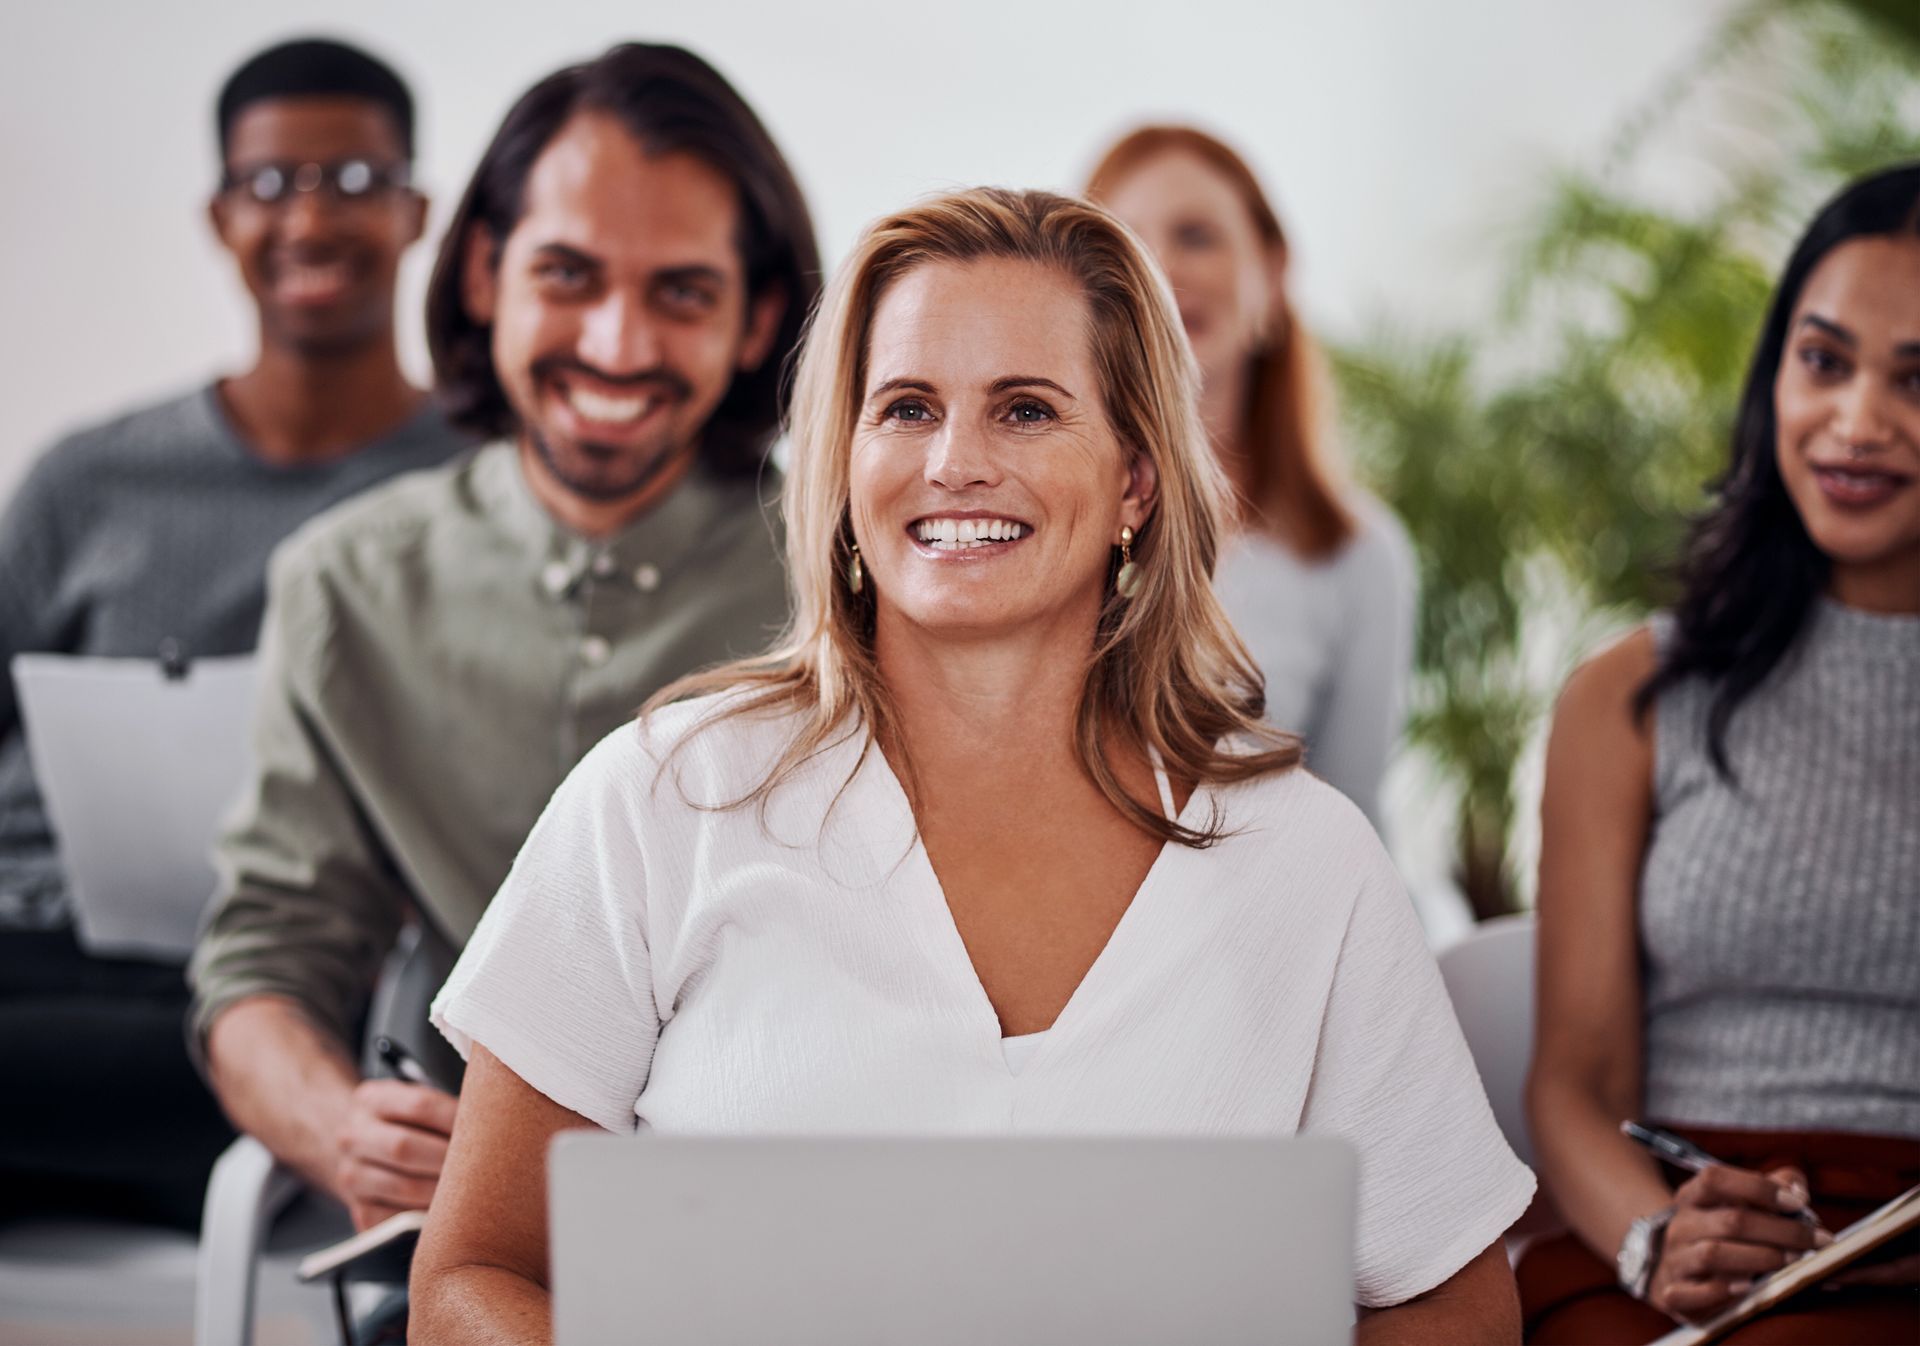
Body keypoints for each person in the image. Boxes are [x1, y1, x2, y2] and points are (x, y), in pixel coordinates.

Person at [412, 186, 1534, 1345]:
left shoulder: (1307, 858)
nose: (955, 462)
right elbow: (469, 1282)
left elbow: (1450, 1294)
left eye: (1026, 410)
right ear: (846, 468)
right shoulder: (659, 798)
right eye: (904, 407)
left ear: (1136, 482)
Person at [188, 42, 818, 1237]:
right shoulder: (347, 582)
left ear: (758, 320)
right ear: (484, 271)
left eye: (681, 291)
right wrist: (339, 1129)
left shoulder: (856, 571)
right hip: (477, 1233)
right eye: (570, 274)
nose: (619, 345)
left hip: (784, 1228)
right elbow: (264, 957)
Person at [0, 37, 468, 1231]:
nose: (310, 215)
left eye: (354, 182)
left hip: (283, 991)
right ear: (221, 215)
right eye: (271, 183)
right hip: (37, 944)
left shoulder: (481, 486)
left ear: (415, 210)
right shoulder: (89, 481)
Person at [1521, 164, 1920, 1344]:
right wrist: (1657, 1240)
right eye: (1824, 359)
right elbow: (1574, 1085)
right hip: (1683, 1234)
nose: (1854, 420)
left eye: (1918, 378)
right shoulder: (1630, 694)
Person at [1085, 126, 1415, 829]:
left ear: (1272, 273)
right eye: (1129, 243)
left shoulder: (1357, 553)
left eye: (1198, 236)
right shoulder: (1033, 521)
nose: (1162, 270)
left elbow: (1354, 822)